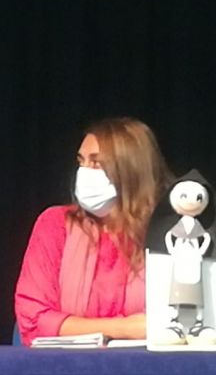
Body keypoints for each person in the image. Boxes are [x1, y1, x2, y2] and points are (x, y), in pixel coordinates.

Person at [14, 117, 172, 346]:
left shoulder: (167, 231)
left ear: (130, 170)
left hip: (144, 364)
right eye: (81, 162)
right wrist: (125, 329)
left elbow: (174, 321)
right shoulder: (55, 224)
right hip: (65, 365)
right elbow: (34, 320)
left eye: (96, 163)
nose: (84, 172)